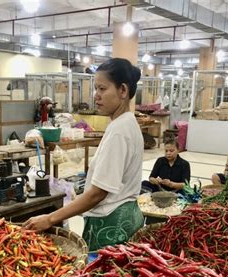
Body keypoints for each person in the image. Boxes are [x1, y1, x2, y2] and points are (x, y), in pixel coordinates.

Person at [23, 58, 144, 252]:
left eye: (103, 89)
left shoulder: (119, 131)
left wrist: (50, 219)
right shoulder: (127, 123)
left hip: (110, 223)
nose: (96, 96)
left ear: (123, 90)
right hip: (126, 216)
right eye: (95, 89)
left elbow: (98, 193)